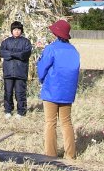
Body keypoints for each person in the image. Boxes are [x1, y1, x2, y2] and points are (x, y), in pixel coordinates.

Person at [37, 19, 80, 160]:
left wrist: (41, 79)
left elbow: (42, 69)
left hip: (51, 90)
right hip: (67, 92)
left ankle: (51, 155)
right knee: (67, 122)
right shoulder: (74, 50)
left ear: (56, 33)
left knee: (50, 123)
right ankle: (70, 155)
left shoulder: (51, 48)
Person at [0, 21, 32, 119]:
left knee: (20, 93)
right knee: (8, 92)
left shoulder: (26, 42)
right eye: (15, 30)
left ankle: (21, 111)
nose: (16, 31)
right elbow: (2, 53)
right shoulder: (6, 42)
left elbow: (25, 54)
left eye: (18, 30)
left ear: (21, 31)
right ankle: (8, 110)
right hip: (8, 72)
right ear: (11, 31)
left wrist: (12, 54)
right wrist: (17, 54)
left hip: (20, 72)